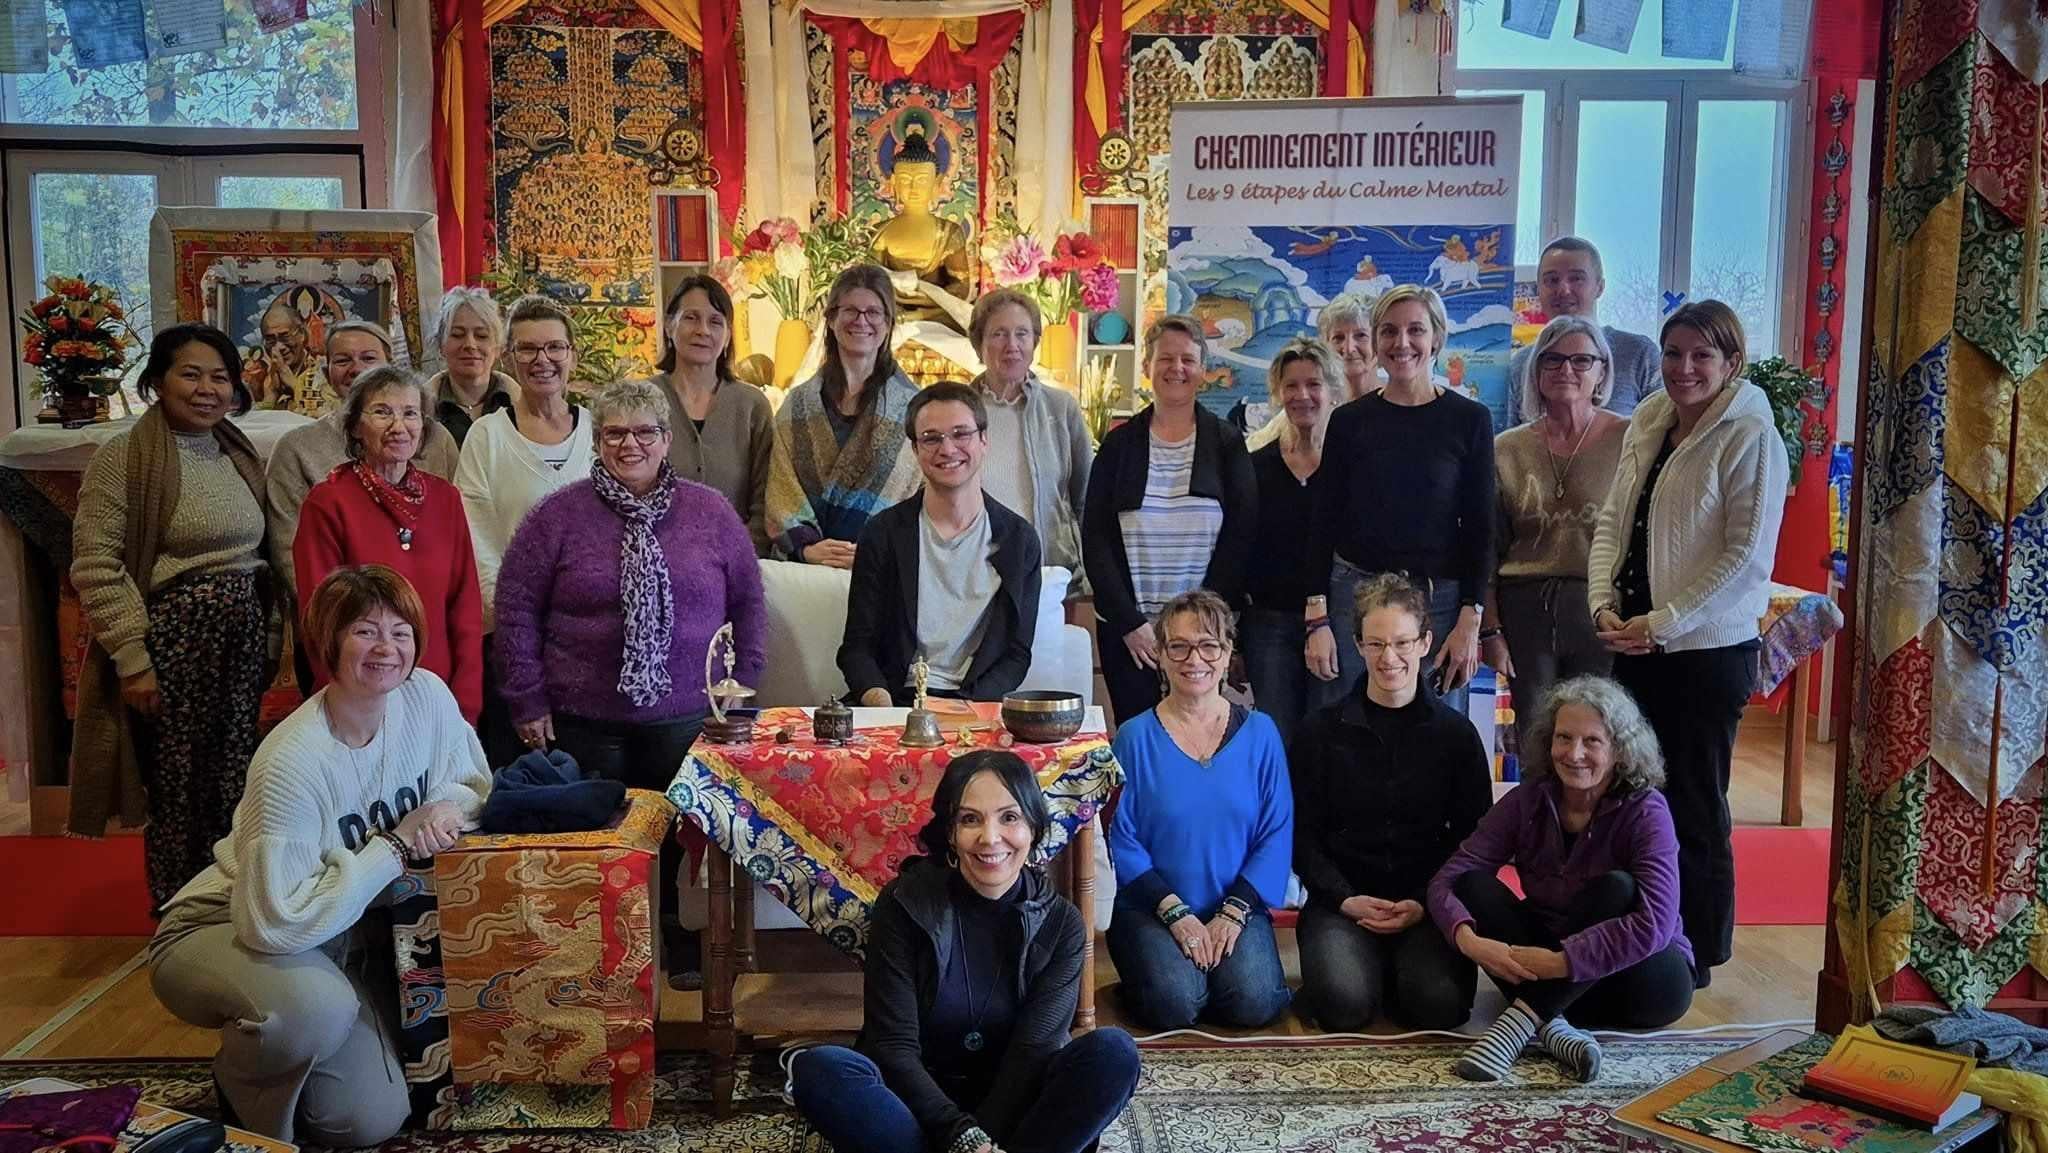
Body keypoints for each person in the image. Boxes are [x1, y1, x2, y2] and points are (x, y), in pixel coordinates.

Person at [148, 565, 492, 1145]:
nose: (387, 648)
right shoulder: (292, 761)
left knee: (363, 1120)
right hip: (233, 922)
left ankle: (301, 1058)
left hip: (342, 932)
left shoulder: (428, 697)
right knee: (317, 1011)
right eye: (365, 631)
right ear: (329, 641)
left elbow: (472, 783)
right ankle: (243, 1084)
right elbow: (273, 923)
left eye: (401, 632)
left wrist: (443, 809)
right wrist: (394, 845)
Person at [494, 379, 764, 972]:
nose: (630, 444)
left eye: (645, 432)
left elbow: (748, 604)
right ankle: (608, 960)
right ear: (597, 441)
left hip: (688, 716)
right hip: (583, 718)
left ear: (667, 440)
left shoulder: (711, 512)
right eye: (615, 433)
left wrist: (742, 690)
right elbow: (515, 609)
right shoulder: (556, 517)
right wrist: (526, 699)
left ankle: (673, 939)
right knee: (599, 839)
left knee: (677, 837)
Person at [791, 751, 1140, 1153]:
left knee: (1113, 1053)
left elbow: (1033, 1052)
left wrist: (982, 1141)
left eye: (1009, 817)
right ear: (950, 833)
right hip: (917, 1110)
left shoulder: (1062, 924)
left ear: (1033, 827)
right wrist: (960, 1135)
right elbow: (893, 1046)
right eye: (970, 819)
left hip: (1016, 1110)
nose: (990, 838)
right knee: (821, 1069)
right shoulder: (904, 903)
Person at [1589, 299, 1787, 984]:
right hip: (1636, 644)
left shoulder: (1751, 434)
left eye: (1702, 355)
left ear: (1732, 362)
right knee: (1634, 797)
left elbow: (1745, 560)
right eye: (1673, 353)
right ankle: (1643, 932)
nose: (1684, 368)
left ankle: (1698, 951)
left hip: (1706, 654)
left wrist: (1664, 620)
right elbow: (1614, 521)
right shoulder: (1651, 420)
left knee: (1694, 804)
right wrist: (1602, 602)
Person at [71, 323, 275, 911]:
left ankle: (227, 899)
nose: (208, 389)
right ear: (157, 381)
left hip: (239, 638)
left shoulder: (233, 448)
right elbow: (96, 564)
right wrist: (134, 661)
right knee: (179, 785)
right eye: (191, 374)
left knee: (233, 776)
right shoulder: (124, 457)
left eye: (220, 377)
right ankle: (178, 910)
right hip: (176, 643)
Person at [1428, 676, 1694, 1083]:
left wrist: (1562, 962)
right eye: (1564, 738)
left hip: (1639, 982)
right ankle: (1554, 1027)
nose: (1574, 753)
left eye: (1592, 742)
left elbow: (1656, 923)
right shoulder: (1528, 799)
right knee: (1473, 886)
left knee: (1617, 888)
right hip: (1550, 974)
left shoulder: (1646, 810)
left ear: (1620, 750)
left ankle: (1518, 1025)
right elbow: (1448, 879)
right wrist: (1468, 941)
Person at [1292, 574, 1491, 1032]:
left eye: (1402, 643)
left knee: (1440, 1007)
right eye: (1376, 644)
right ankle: (1361, 971)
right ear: (1358, 645)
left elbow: (1474, 841)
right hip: (1342, 901)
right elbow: (1301, 835)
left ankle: (1390, 972)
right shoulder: (1318, 732)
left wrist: (1423, 902)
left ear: (1425, 643)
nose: (1389, 658)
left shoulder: (1457, 736)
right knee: (1343, 1006)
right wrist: (1344, 899)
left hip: (1427, 903)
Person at [1107, 589, 1293, 1031]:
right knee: (1175, 1004)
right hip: (1152, 906)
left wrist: (1233, 913)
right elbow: (1120, 837)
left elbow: (1277, 830)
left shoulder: (1262, 733)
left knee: (1254, 1002)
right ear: (1161, 654)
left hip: (1236, 905)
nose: (1195, 659)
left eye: (1209, 646)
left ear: (1227, 654)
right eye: (1179, 646)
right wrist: (1175, 913)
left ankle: (1206, 975)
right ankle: (1165, 976)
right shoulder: (1133, 737)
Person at [1306, 284, 1494, 715]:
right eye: (1389, 331)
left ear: (1437, 338)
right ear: (1376, 340)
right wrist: (1317, 618)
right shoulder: (1348, 421)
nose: (1401, 342)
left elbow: (1481, 528)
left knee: (1435, 728)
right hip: (1354, 596)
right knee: (1349, 726)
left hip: (1439, 604)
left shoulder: (1470, 420)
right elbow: (1323, 521)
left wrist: (1471, 619)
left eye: (1415, 330)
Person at [1083, 316, 1257, 725]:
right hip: (1133, 635)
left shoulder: (1226, 443)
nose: (1176, 368)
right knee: (1138, 737)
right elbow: (1095, 538)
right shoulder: (1119, 444)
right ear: (1147, 365)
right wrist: (1130, 623)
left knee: (1200, 734)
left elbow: (1242, 536)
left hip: (1202, 638)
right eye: (1165, 358)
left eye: (1188, 359)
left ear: (1203, 370)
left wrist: (1200, 627)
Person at [294, 366, 484, 723]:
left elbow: (465, 606)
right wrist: (348, 705)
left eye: (410, 413)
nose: (399, 426)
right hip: (360, 699)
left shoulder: (445, 499)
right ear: (355, 426)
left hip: (437, 697)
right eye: (382, 412)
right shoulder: (328, 502)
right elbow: (320, 617)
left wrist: (466, 702)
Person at [839, 381, 1042, 707]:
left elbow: (1016, 654)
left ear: (984, 440)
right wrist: (882, 707)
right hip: (894, 701)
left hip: (974, 705)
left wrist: (965, 711)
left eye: (961, 434)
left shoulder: (1019, 541)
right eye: (931, 438)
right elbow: (856, 648)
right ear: (915, 449)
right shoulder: (883, 533)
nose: (947, 449)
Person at [455, 294, 596, 763]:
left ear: (573, 354)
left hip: (590, 640)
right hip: (513, 639)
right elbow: (476, 537)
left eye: (554, 347)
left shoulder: (600, 433)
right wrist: (519, 620)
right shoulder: (487, 437)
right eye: (528, 349)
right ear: (509, 358)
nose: (543, 360)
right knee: (523, 773)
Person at [1487, 316, 1628, 751]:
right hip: (1524, 608)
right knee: (1537, 735)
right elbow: (1488, 548)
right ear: (1536, 371)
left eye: (1581, 360)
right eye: (1552, 359)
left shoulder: (1630, 439)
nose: (1566, 369)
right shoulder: (1506, 448)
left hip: (1602, 609)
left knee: (1601, 732)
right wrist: (1490, 629)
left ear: (1602, 370)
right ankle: (1539, 801)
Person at [265, 320, 460, 606]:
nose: (357, 369)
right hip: (342, 614)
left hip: (428, 608)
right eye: (342, 360)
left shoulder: (434, 438)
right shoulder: (295, 448)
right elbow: (290, 554)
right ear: (326, 372)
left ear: (390, 367)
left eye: (369, 358)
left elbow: (456, 542)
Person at [765, 264, 923, 566]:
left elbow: (926, 497)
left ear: (888, 323)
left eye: (873, 312)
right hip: (809, 571)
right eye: (850, 310)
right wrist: (807, 548)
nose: (861, 320)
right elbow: (781, 489)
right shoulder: (797, 406)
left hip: (884, 568)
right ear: (831, 319)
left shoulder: (914, 408)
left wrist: (876, 551)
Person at [1242, 337, 1337, 748]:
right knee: (1277, 740)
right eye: (1291, 386)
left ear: (1332, 390)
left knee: (1330, 739)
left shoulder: (1348, 464)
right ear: (1277, 393)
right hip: (1269, 626)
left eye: (1313, 384)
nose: (1302, 395)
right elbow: (1240, 552)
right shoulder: (1254, 466)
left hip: (1336, 623)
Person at [644, 274, 773, 554]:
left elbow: (765, 500)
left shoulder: (752, 406)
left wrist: (736, 553)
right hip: (653, 560)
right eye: (691, 318)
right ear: (669, 325)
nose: (703, 330)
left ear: (727, 336)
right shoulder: (640, 401)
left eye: (715, 322)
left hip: (734, 560)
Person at [969, 288, 1093, 577]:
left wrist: (1089, 575)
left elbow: (1086, 499)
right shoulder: (959, 410)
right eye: (999, 334)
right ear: (979, 343)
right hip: (976, 573)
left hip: (1049, 572)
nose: (1012, 345)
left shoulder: (1061, 408)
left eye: (1022, 333)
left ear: (1035, 341)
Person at [1505, 237, 1662, 424]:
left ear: (1600, 287)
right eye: (1552, 280)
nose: (1563, 290)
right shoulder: (1520, 365)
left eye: (1576, 279)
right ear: (1538, 289)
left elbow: (1662, 429)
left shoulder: (1639, 354)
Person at [1245, 293, 1379, 451]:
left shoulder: (1392, 403)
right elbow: (1252, 449)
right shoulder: (1309, 406)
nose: (1349, 348)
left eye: (1361, 335)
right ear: (1325, 346)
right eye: (1338, 338)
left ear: (1379, 341)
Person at [427, 287, 518, 445]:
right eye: (458, 335)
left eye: (481, 336)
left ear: (498, 348)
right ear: (441, 345)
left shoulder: (519, 406)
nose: (470, 344)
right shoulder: (421, 411)